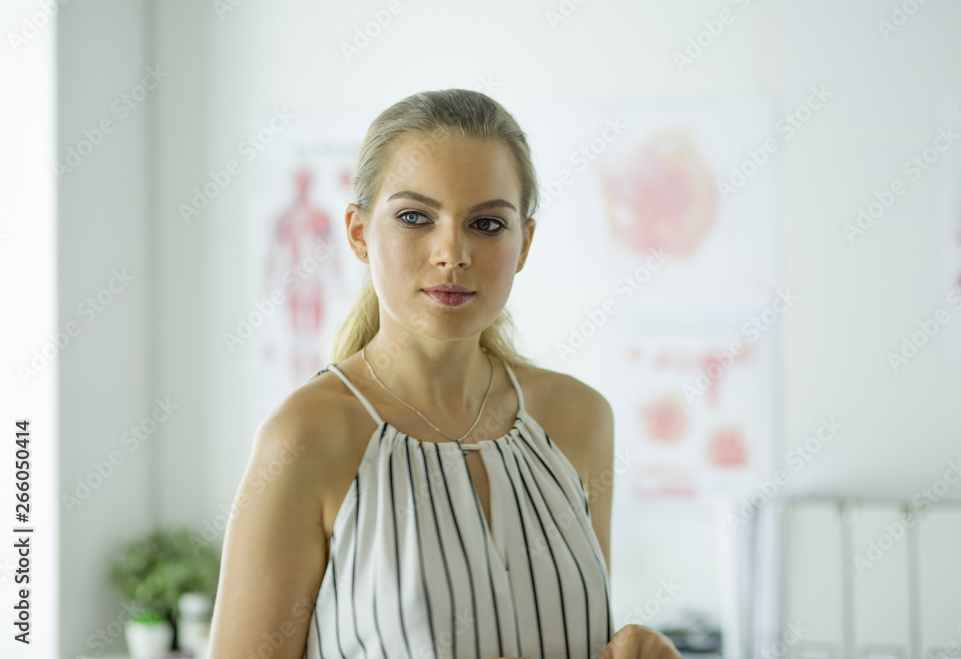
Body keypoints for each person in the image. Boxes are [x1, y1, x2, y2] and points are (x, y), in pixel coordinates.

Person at [207, 89, 682, 659]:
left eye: (486, 224)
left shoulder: (578, 419)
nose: (452, 252)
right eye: (414, 217)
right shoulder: (307, 437)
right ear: (359, 233)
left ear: (524, 244)